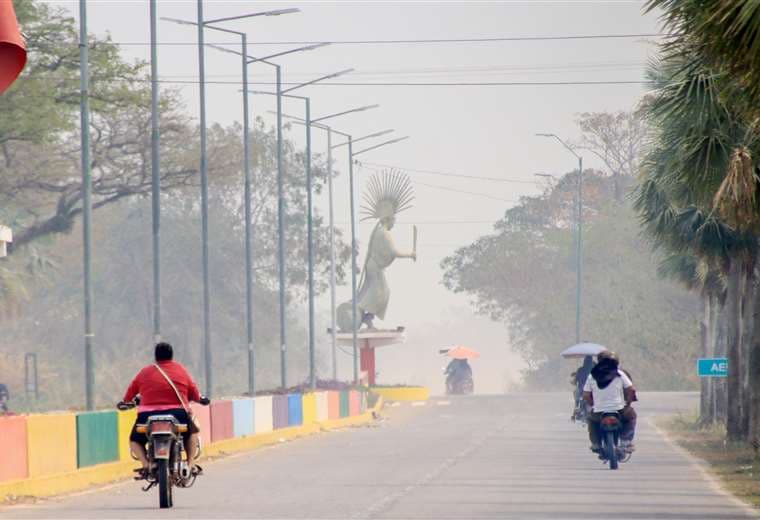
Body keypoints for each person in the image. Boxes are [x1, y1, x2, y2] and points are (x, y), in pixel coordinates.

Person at [119, 342, 206, 480]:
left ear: (156, 356)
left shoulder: (145, 372)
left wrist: (125, 401)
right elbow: (194, 391)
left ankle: (146, 464)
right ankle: (190, 465)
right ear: (172, 355)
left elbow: (130, 392)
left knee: (135, 440)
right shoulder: (181, 370)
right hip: (178, 415)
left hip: (147, 416)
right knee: (192, 432)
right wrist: (201, 398)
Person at [583, 354, 637, 453]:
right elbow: (631, 389)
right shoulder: (619, 373)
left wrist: (593, 404)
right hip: (619, 409)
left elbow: (586, 395)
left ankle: (596, 443)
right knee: (631, 416)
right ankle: (625, 440)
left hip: (599, 411)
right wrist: (628, 403)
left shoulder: (592, 375)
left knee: (592, 420)